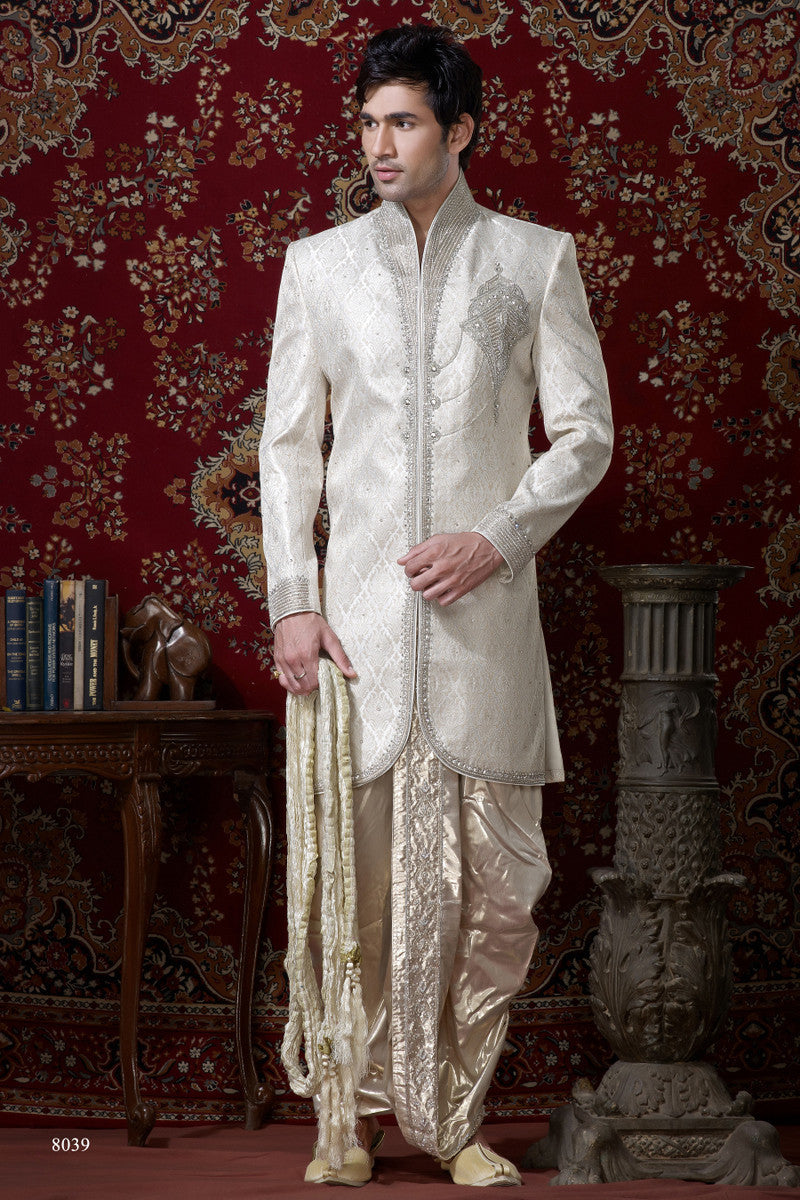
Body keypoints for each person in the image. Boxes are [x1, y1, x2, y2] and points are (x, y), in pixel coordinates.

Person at [259, 24, 613, 1187]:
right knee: (352, 887)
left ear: (458, 131)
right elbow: (287, 451)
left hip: (482, 627)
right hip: (356, 631)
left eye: (402, 122)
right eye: (367, 123)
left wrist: (495, 537)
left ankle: (453, 1119)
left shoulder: (533, 261)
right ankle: (352, 1119)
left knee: (494, 897)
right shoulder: (318, 268)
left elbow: (583, 436)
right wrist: (293, 603)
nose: (378, 144)